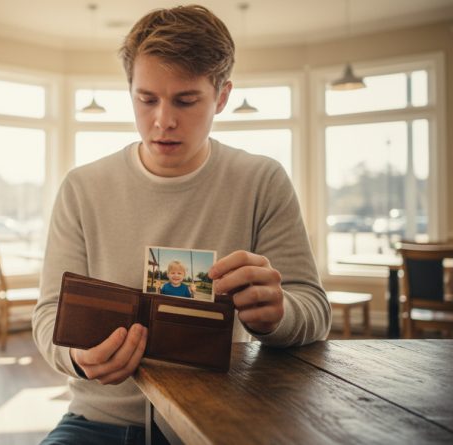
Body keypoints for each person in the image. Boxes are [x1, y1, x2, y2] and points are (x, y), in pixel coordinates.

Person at [32, 5, 330, 444]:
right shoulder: (82, 187)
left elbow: (314, 310)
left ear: (222, 96)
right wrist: (77, 356)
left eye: (186, 101)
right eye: (146, 99)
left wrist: (279, 314)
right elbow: (48, 315)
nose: (163, 121)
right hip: (99, 419)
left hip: (215, 417)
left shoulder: (262, 181)